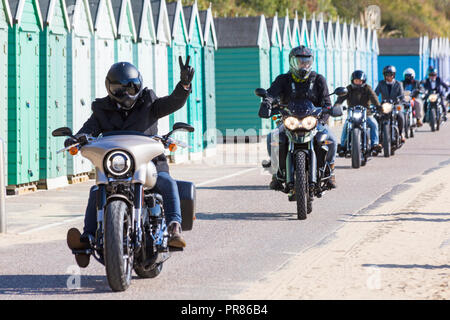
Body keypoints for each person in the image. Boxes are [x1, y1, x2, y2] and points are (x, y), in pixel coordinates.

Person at [66, 59, 195, 263]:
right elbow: (89, 129)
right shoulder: (102, 109)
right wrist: (76, 138)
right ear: (109, 88)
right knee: (95, 191)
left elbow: (173, 102)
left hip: (149, 162)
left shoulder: (149, 102)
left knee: (168, 182)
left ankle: (174, 228)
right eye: (119, 89)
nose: (126, 93)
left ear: (139, 85)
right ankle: (87, 237)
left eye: (131, 87)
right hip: (116, 166)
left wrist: (184, 86)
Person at [259, 46, 338, 189]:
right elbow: (271, 93)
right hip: (289, 121)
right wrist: (267, 102)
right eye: (300, 61)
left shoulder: (319, 80)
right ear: (292, 62)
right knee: (273, 137)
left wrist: (325, 116)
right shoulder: (283, 79)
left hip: (313, 121)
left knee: (331, 140)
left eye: (307, 62)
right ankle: (276, 171)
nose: (304, 65)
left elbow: (327, 103)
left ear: (311, 62)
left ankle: (331, 171)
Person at [335, 70, 382, 155]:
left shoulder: (367, 88)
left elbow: (373, 97)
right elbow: (341, 98)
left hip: (366, 113)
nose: (358, 82)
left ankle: (374, 144)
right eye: (356, 80)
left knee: (374, 124)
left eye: (360, 81)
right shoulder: (348, 88)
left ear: (363, 81)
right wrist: (336, 105)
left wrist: (378, 106)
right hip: (352, 114)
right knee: (346, 126)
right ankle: (342, 146)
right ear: (352, 80)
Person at [375, 65, 406, 142]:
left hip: (395, 105)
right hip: (384, 106)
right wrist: (374, 102)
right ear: (384, 75)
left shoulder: (399, 84)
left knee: (401, 116)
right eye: (387, 75)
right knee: (376, 117)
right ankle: (377, 136)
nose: (389, 77)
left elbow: (401, 95)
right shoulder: (381, 83)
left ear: (394, 75)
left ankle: (401, 133)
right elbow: (375, 94)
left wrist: (401, 101)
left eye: (390, 75)